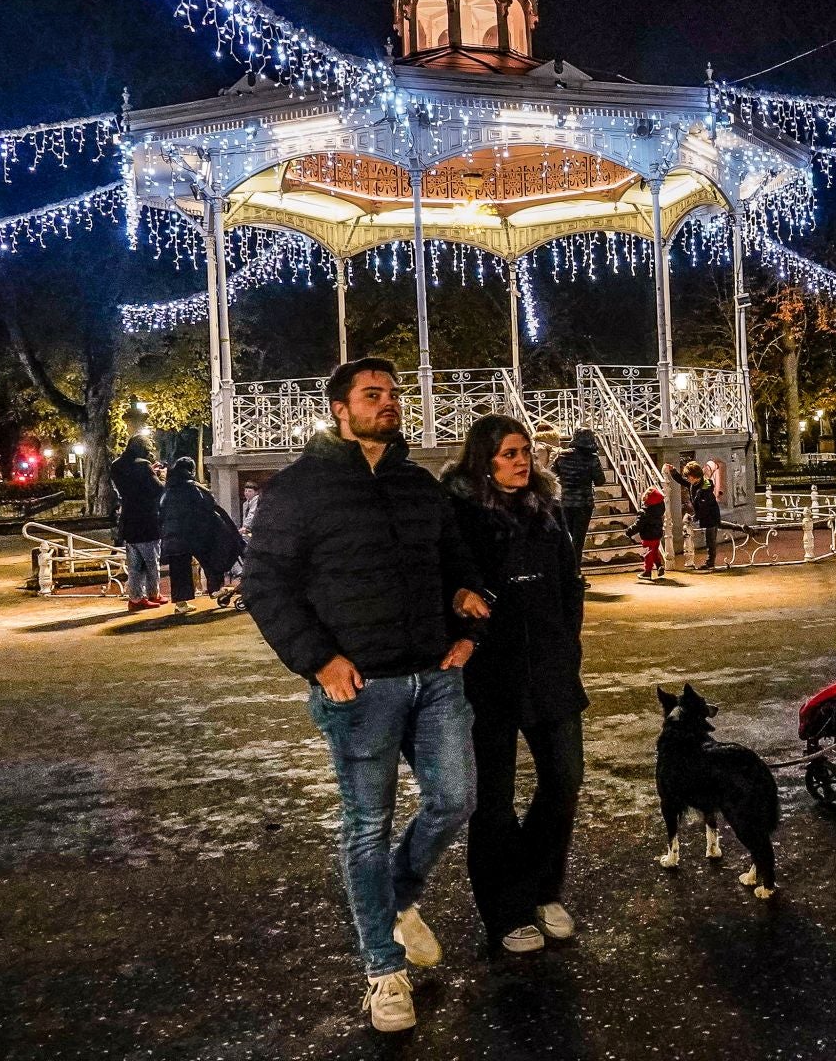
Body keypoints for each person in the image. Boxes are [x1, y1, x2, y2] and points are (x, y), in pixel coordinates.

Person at [239, 357, 490, 1035]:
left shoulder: (418, 485)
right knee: (366, 828)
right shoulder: (297, 490)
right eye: (372, 395)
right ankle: (383, 970)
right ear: (340, 410)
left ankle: (398, 899)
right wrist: (318, 660)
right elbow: (263, 585)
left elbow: (459, 561)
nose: (389, 404)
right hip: (360, 687)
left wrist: (469, 618)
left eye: (393, 394)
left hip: (435, 675)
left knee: (455, 799)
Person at [442, 415, 588, 956]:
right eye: (507, 453)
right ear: (483, 458)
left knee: (565, 778)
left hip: (550, 666)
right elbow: (448, 585)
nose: (521, 460)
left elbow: (569, 583)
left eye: (524, 450)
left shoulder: (546, 508)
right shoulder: (458, 514)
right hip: (490, 672)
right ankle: (505, 910)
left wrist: (567, 642)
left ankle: (540, 887)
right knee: (494, 800)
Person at [158, 457, 245, 614]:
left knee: (179, 570)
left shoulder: (168, 490)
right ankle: (214, 589)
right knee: (210, 558)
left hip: (173, 536)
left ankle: (181, 605)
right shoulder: (192, 487)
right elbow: (207, 506)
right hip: (193, 534)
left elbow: (161, 513)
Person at [110, 434, 166, 612]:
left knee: (133, 565)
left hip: (128, 520)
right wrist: (161, 476)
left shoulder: (117, 465)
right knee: (151, 562)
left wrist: (151, 472)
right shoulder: (143, 465)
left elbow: (135, 486)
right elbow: (158, 490)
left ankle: (135, 597)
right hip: (147, 520)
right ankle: (151, 594)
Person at [552, 429, 603, 579]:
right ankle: (575, 572)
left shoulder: (561, 455)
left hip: (565, 501)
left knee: (565, 537)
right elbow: (600, 480)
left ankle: (564, 570)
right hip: (583, 502)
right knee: (578, 539)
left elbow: (552, 474)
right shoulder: (592, 458)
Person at [681, 460, 722, 572]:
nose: (687, 478)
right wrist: (673, 472)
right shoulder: (695, 483)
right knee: (711, 537)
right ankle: (742, 527)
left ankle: (710, 563)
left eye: (688, 476)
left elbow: (704, 507)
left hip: (711, 516)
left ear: (694, 476)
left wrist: (695, 517)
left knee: (710, 540)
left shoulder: (705, 488)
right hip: (709, 515)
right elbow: (682, 480)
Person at [632, 487, 666, 581]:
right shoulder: (658, 511)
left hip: (647, 536)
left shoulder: (644, 513)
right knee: (654, 551)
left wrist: (629, 531)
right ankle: (659, 566)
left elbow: (638, 525)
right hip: (657, 535)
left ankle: (647, 571)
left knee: (648, 554)